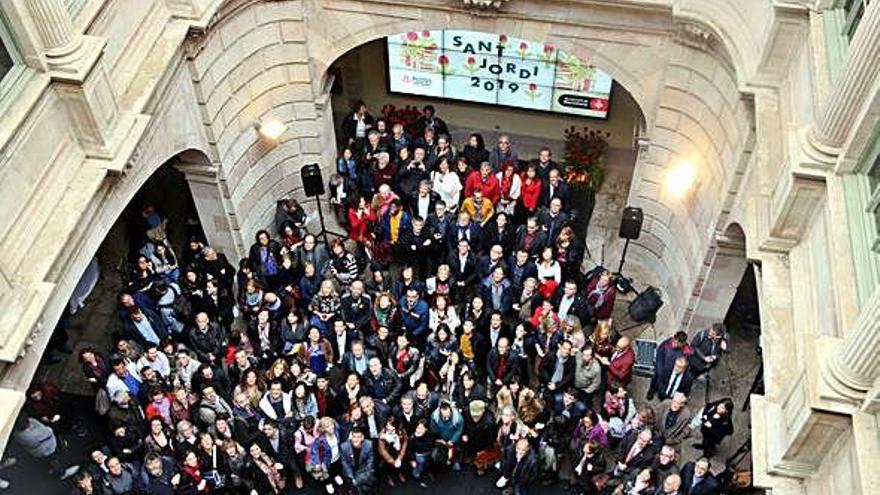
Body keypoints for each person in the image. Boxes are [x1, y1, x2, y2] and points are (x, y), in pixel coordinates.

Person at [12, 416, 80, 480]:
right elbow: (48, 430)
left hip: (42, 446)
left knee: (53, 453)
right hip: (45, 450)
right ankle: (61, 474)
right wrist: (43, 429)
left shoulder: (18, 432)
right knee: (53, 459)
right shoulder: (24, 435)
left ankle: (60, 448)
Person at [648, 331, 692, 401]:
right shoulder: (667, 343)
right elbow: (659, 354)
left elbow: (685, 365)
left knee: (665, 387)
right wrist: (659, 368)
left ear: (683, 344)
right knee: (655, 381)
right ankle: (652, 389)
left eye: (677, 343)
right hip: (661, 369)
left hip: (672, 373)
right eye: (674, 341)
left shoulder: (686, 352)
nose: (674, 344)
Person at [340, 427, 375, 494]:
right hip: (350, 470)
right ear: (351, 437)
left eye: (359, 437)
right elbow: (344, 463)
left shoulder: (369, 444)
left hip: (362, 469)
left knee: (363, 485)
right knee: (354, 485)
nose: (356, 439)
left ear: (362, 438)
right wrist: (352, 478)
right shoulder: (344, 446)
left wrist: (364, 476)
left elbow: (370, 460)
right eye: (354, 437)